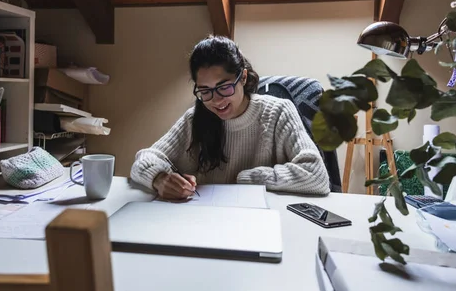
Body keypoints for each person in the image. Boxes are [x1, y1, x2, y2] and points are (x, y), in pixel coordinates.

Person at [130, 36, 330, 199]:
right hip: (202, 221)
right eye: (205, 91)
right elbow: (145, 158)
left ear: (242, 77)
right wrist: (159, 178)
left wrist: (248, 179)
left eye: (224, 87)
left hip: (258, 223)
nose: (216, 100)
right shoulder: (195, 119)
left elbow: (317, 177)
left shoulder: (278, 112)